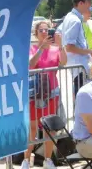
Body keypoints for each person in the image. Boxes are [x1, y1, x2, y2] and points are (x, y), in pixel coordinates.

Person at [22, 21, 67, 169]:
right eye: (41, 30)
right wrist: (41, 49)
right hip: (35, 94)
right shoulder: (32, 48)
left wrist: (61, 45)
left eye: (47, 30)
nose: (44, 32)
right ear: (36, 33)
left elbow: (64, 62)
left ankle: (48, 159)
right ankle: (26, 160)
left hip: (51, 93)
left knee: (50, 128)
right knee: (33, 128)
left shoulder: (56, 49)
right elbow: (30, 64)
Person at [60, 0, 92, 95]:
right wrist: (89, 51)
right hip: (79, 67)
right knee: (83, 96)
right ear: (81, 3)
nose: (90, 5)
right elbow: (69, 47)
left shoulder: (69, 17)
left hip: (77, 67)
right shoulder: (75, 20)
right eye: (88, 2)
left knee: (80, 96)